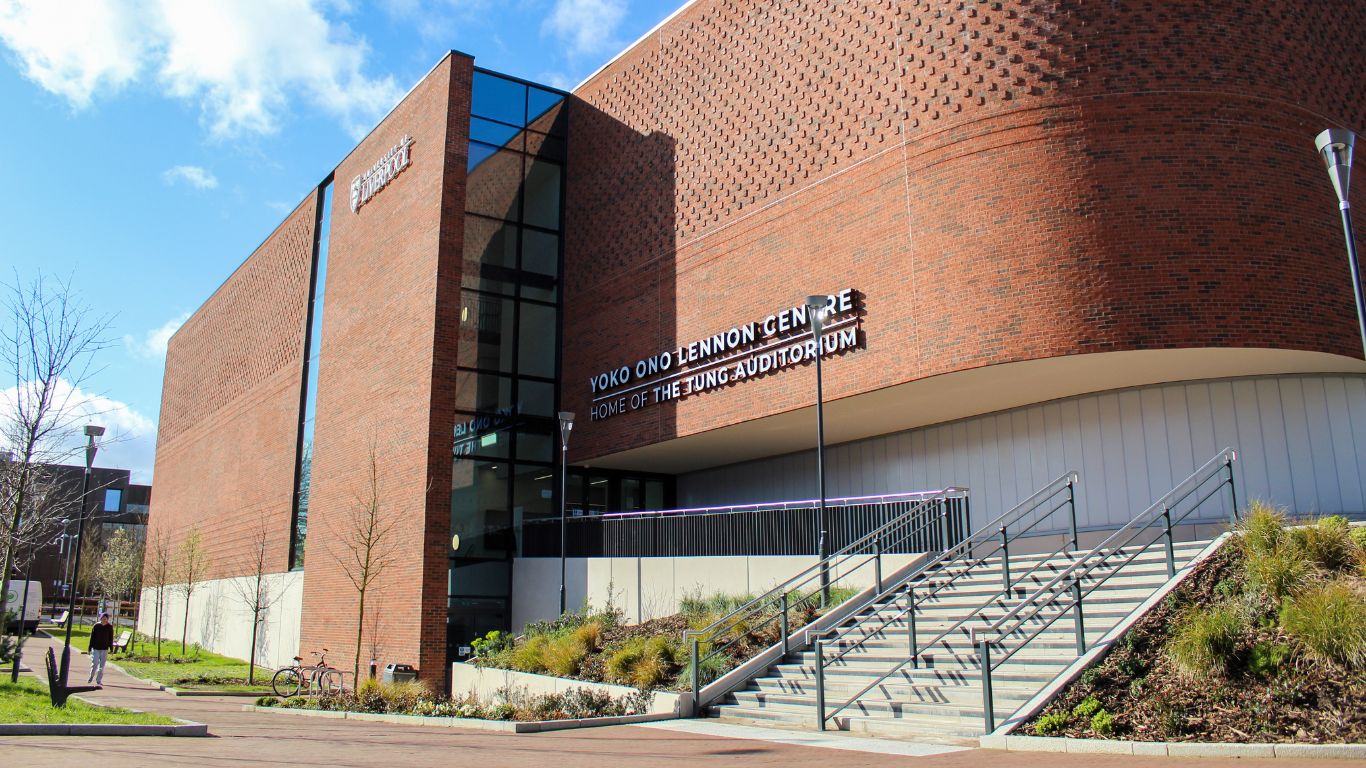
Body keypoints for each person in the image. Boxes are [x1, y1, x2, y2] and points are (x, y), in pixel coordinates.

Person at [88, 612, 114, 687]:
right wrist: (89, 648)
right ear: (101, 618)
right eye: (103, 618)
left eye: (106, 618)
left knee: (101, 667)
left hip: (104, 649)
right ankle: (91, 676)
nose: (105, 620)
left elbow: (110, 639)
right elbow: (92, 638)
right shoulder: (96, 626)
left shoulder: (109, 627)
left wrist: (111, 649)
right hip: (96, 648)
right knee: (95, 664)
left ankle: (98, 680)